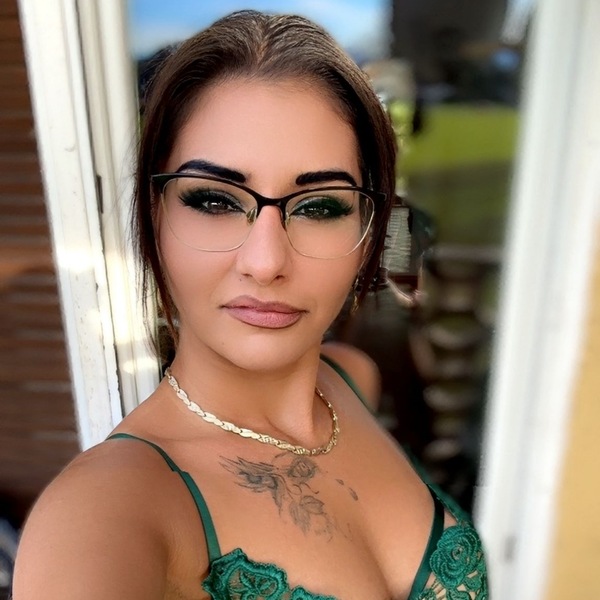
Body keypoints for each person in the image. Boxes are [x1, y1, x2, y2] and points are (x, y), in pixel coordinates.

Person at [13, 10, 487, 600]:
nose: (265, 263)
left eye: (320, 206)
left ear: (368, 229)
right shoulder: (109, 507)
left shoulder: (351, 379)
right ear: (154, 217)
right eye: (214, 200)